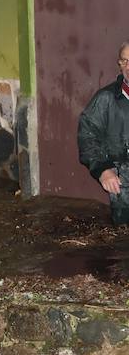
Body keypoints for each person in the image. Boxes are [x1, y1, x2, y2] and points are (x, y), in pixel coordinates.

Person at [76, 41, 129, 225]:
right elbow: (87, 136)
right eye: (124, 61)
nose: (128, 67)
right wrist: (103, 170)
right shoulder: (105, 99)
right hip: (124, 186)